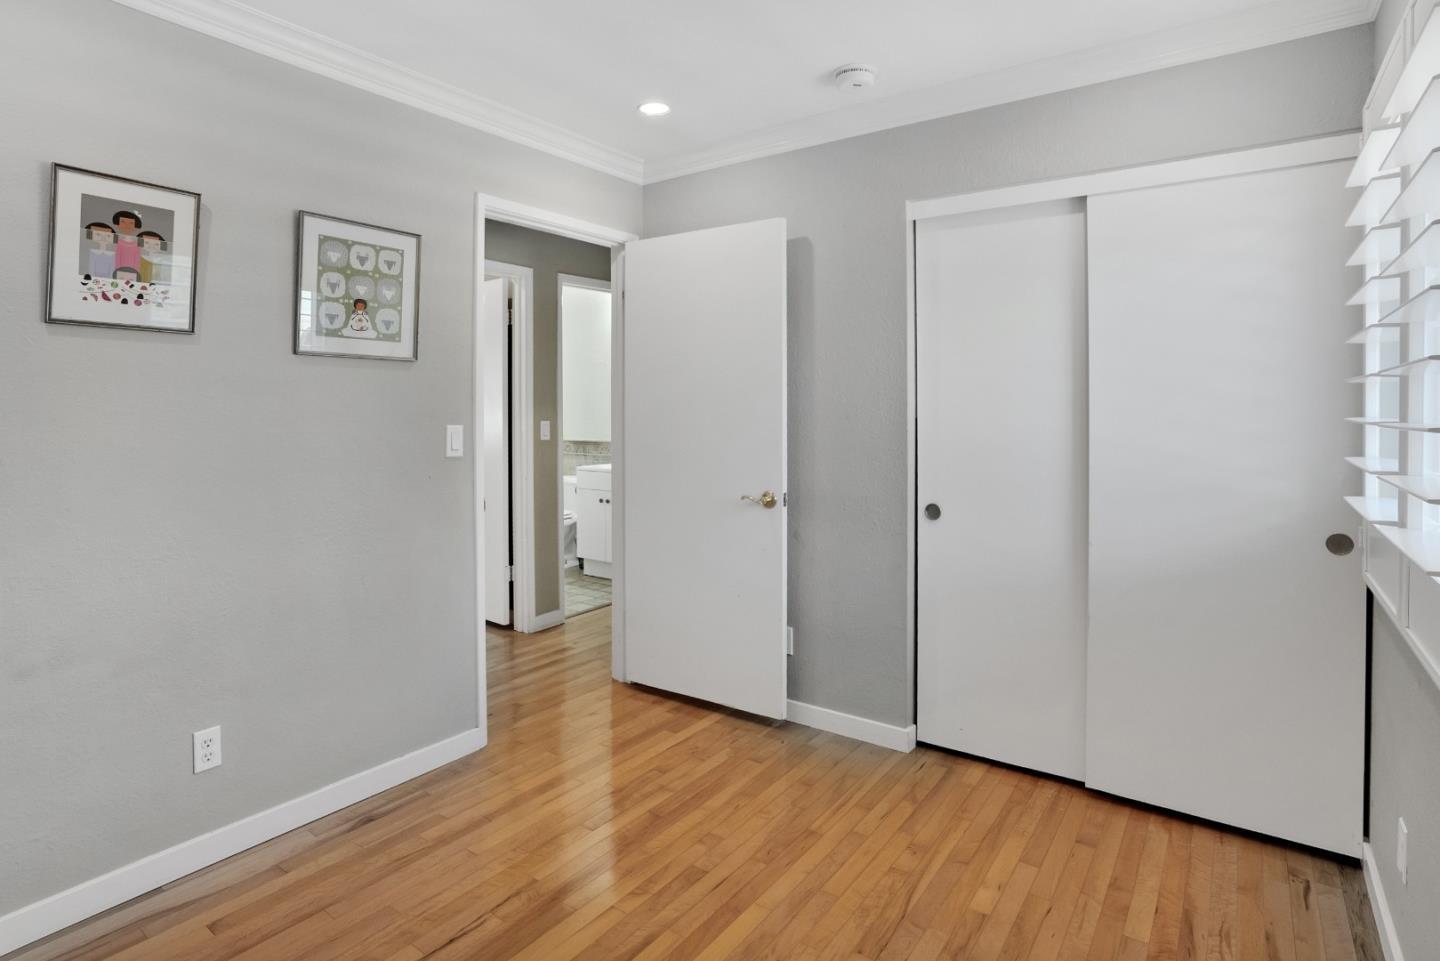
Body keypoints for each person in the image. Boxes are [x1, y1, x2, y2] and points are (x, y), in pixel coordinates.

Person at [112, 210, 143, 274]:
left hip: (132, 274)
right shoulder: (118, 243)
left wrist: (135, 274)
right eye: (123, 222)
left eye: (131, 223)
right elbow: (117, 259)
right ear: (118, 225)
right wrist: (118, 272)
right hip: (120, 273)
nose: (127, 226)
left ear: (135, 227)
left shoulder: (137, 245)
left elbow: (137, 262)